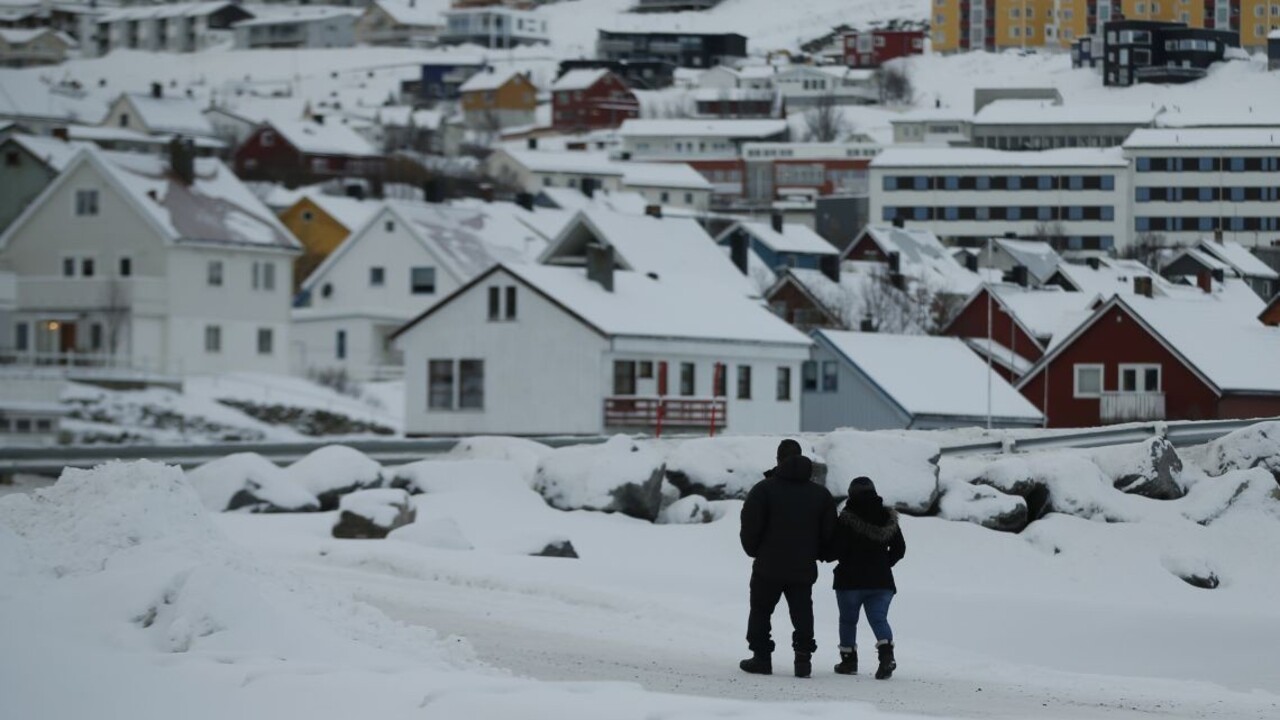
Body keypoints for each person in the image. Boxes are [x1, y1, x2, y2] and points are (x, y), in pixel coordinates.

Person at [739, 440, 837, 678]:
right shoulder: (820, 495)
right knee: (802, 611)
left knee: (761, 610)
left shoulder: (763, 489)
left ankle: (761, 658)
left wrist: (755, 550)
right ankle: (803, 659)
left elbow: (750, 525)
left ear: (777, 460)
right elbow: (830, 533)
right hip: (803, 566)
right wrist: (822, 554)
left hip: (768, 565)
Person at [827, 476, 906, 680]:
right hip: (881, 582)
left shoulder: (846, 518)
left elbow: (836, 549)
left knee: (848, 621)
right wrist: (882, 564)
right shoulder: (888, 518)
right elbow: (899, 549)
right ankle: (887, 657)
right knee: (879, 618)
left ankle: (848, 661)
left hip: (850, 581)